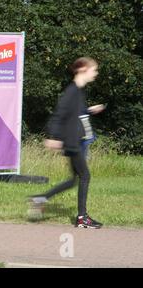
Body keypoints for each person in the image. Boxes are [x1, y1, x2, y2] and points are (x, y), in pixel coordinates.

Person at [29, 57, 106, 229]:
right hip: (72, 142)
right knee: (85, 176)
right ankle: (82, 218)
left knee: (73, 180)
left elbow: (76, 113)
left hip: (75, 140)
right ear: (83, 69)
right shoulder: (72, 91)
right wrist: (53, 137)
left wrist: (89, 110)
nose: (96, 73)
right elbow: (59, 114)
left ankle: (40, 199)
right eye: (94, 70)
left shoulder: (79, 92)